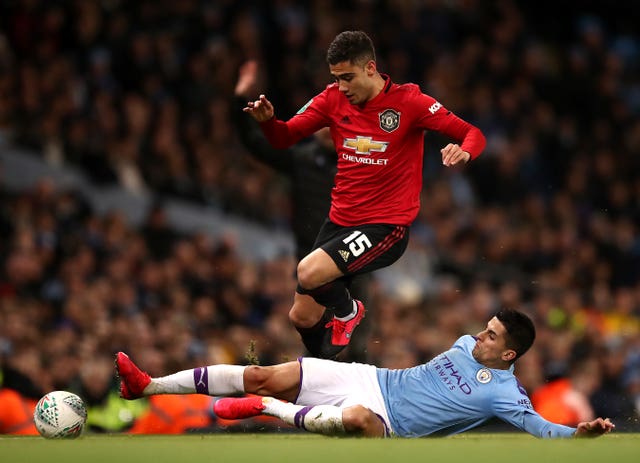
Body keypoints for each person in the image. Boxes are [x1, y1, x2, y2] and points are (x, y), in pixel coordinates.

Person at [241, 31, 486, 358]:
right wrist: (269, 122)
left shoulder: (410, 102)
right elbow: (284, 137)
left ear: (370, 68)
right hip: (339, 222)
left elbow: (472, 133)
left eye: (347, 77)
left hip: (385, 227)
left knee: (307, 272)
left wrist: (465, 152)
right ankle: (325, 366)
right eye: (336, 78)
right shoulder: (331, 99)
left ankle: (347, 312)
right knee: (301, 315)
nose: (341, 86)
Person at [115, 308, 614, 438]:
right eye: (484, 329)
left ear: (509, 356)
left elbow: (539, 428)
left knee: (356, 421)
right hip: (373, 378)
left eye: (491, 337)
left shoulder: (506, 394)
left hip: (388, 425)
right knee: (265, 373)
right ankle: (149, 385)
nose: (478, 336)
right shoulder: (464, 344)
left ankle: (268, 412)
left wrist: (579, 433)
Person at [233, 60, 371, 361]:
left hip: (351, 258)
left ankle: (355, 382)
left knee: (354, 335)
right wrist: (241, 100)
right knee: (310, 327)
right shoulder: (302, 159)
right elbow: (255, 143)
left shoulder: (364, 162)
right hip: (310, 257)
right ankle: (314, 379)